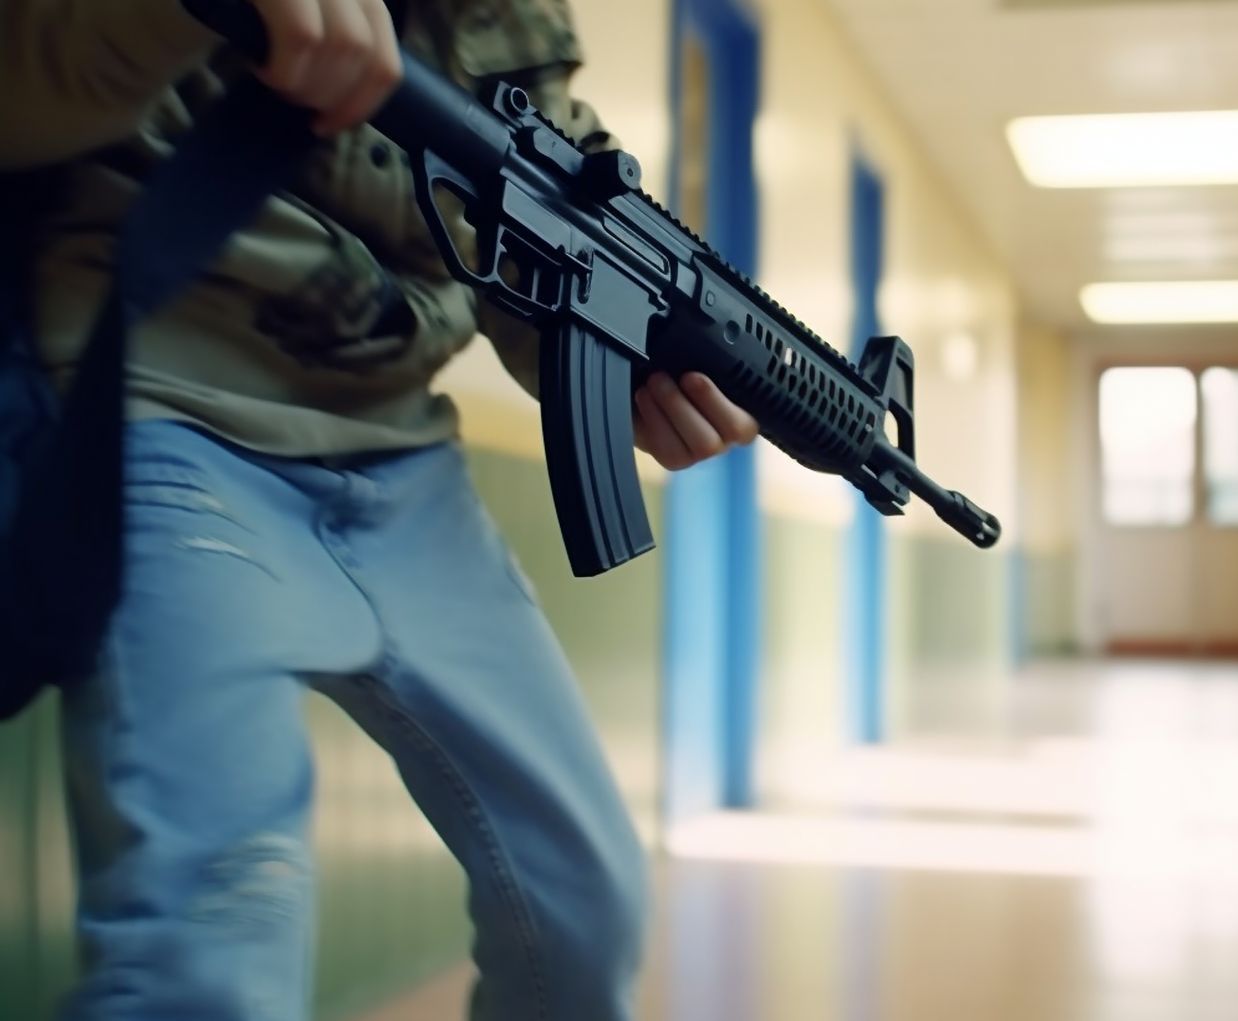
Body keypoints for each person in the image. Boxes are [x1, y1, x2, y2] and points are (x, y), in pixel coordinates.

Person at [0, 1, 754, 1018]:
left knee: (587, 908)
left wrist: (632, 358)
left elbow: (533, 216)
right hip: (171, 410)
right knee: (209, 945)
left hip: (408, 461)